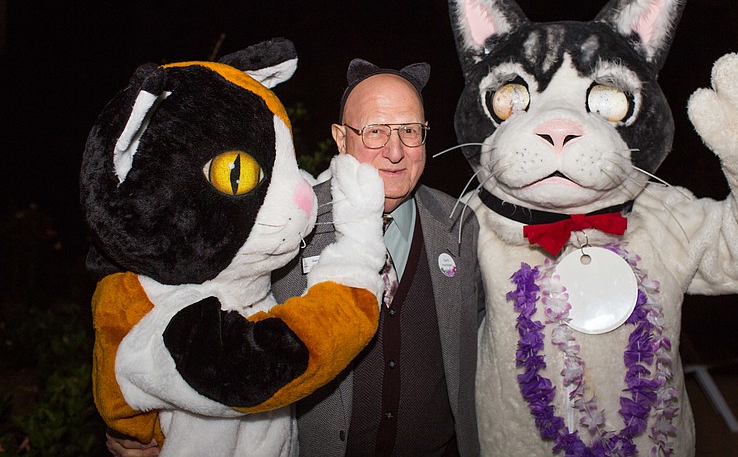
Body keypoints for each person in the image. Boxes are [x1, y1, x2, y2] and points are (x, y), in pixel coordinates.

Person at [106, 58, 483, 457]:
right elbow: (190, 312)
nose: (395, 151)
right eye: (375, 132)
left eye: (410, 131)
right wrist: (141, 425)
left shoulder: (459, 225)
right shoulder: (290, 223)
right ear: (341, 138)